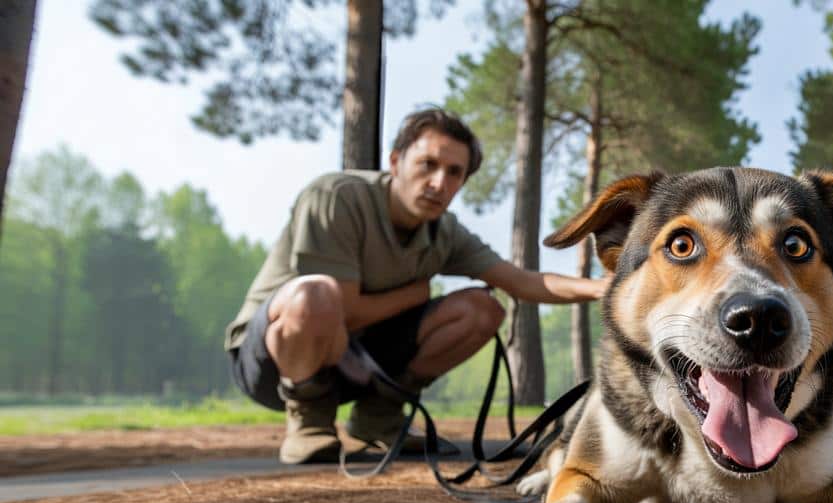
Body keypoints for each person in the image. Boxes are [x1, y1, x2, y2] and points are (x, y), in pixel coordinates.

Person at [224, 108, 606, 464]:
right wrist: (414, 295)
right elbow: (343, 310)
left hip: (360, 364)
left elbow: (523, 282)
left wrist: (605, 287)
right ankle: (308, 423)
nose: (439, 182)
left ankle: (379, 417)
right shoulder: (336, 197)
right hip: (272, 364)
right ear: (395, 161)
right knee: (315, 295)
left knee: (483, 309)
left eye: (454, 173)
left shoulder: (445, 233)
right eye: (428, 164)